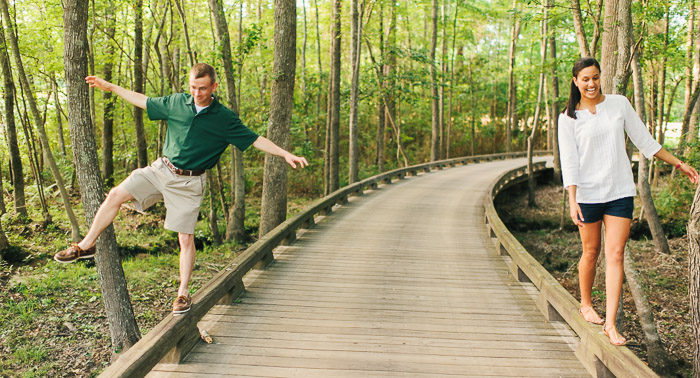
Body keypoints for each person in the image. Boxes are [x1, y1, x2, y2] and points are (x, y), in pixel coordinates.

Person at [54, 63, 308, 314]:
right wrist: (110, 86)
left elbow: (255, 139)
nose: (197, 93)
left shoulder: (224, 118)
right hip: (161, 170)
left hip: (189, 183)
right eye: (193, 87)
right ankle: (85, 246)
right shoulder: (177, 103)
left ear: (214, 87)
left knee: (185, 238)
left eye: (203, 88)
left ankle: (183, 293)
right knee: (115, 194)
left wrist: (284, 153)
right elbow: (143, 100)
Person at [558, 57, 698, 346]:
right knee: (591, 251)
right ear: (575, 81)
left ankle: (610, 324)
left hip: (620, 191)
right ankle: (585, 303)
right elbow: (569, 162)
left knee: (616, 254)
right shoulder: (568, 117)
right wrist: (572, 199)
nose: (592, 83)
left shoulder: (619, 104)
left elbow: (645, 141)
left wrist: (679, 163)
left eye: (595, 77)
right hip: (587, 195)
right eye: (585, 78)